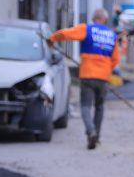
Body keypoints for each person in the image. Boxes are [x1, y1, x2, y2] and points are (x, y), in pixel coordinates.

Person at [50, 8, 120, 150]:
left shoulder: (87, 29)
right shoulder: (112, 35)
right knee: (99, 107)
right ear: (105, 20)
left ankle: (90, 131)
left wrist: (51, 39)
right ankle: (97, 136)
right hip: (103, 77)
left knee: (86, 106)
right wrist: (106, 70)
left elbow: (66, 33)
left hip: (88, 75)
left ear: (94, 18)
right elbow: (115, 59)